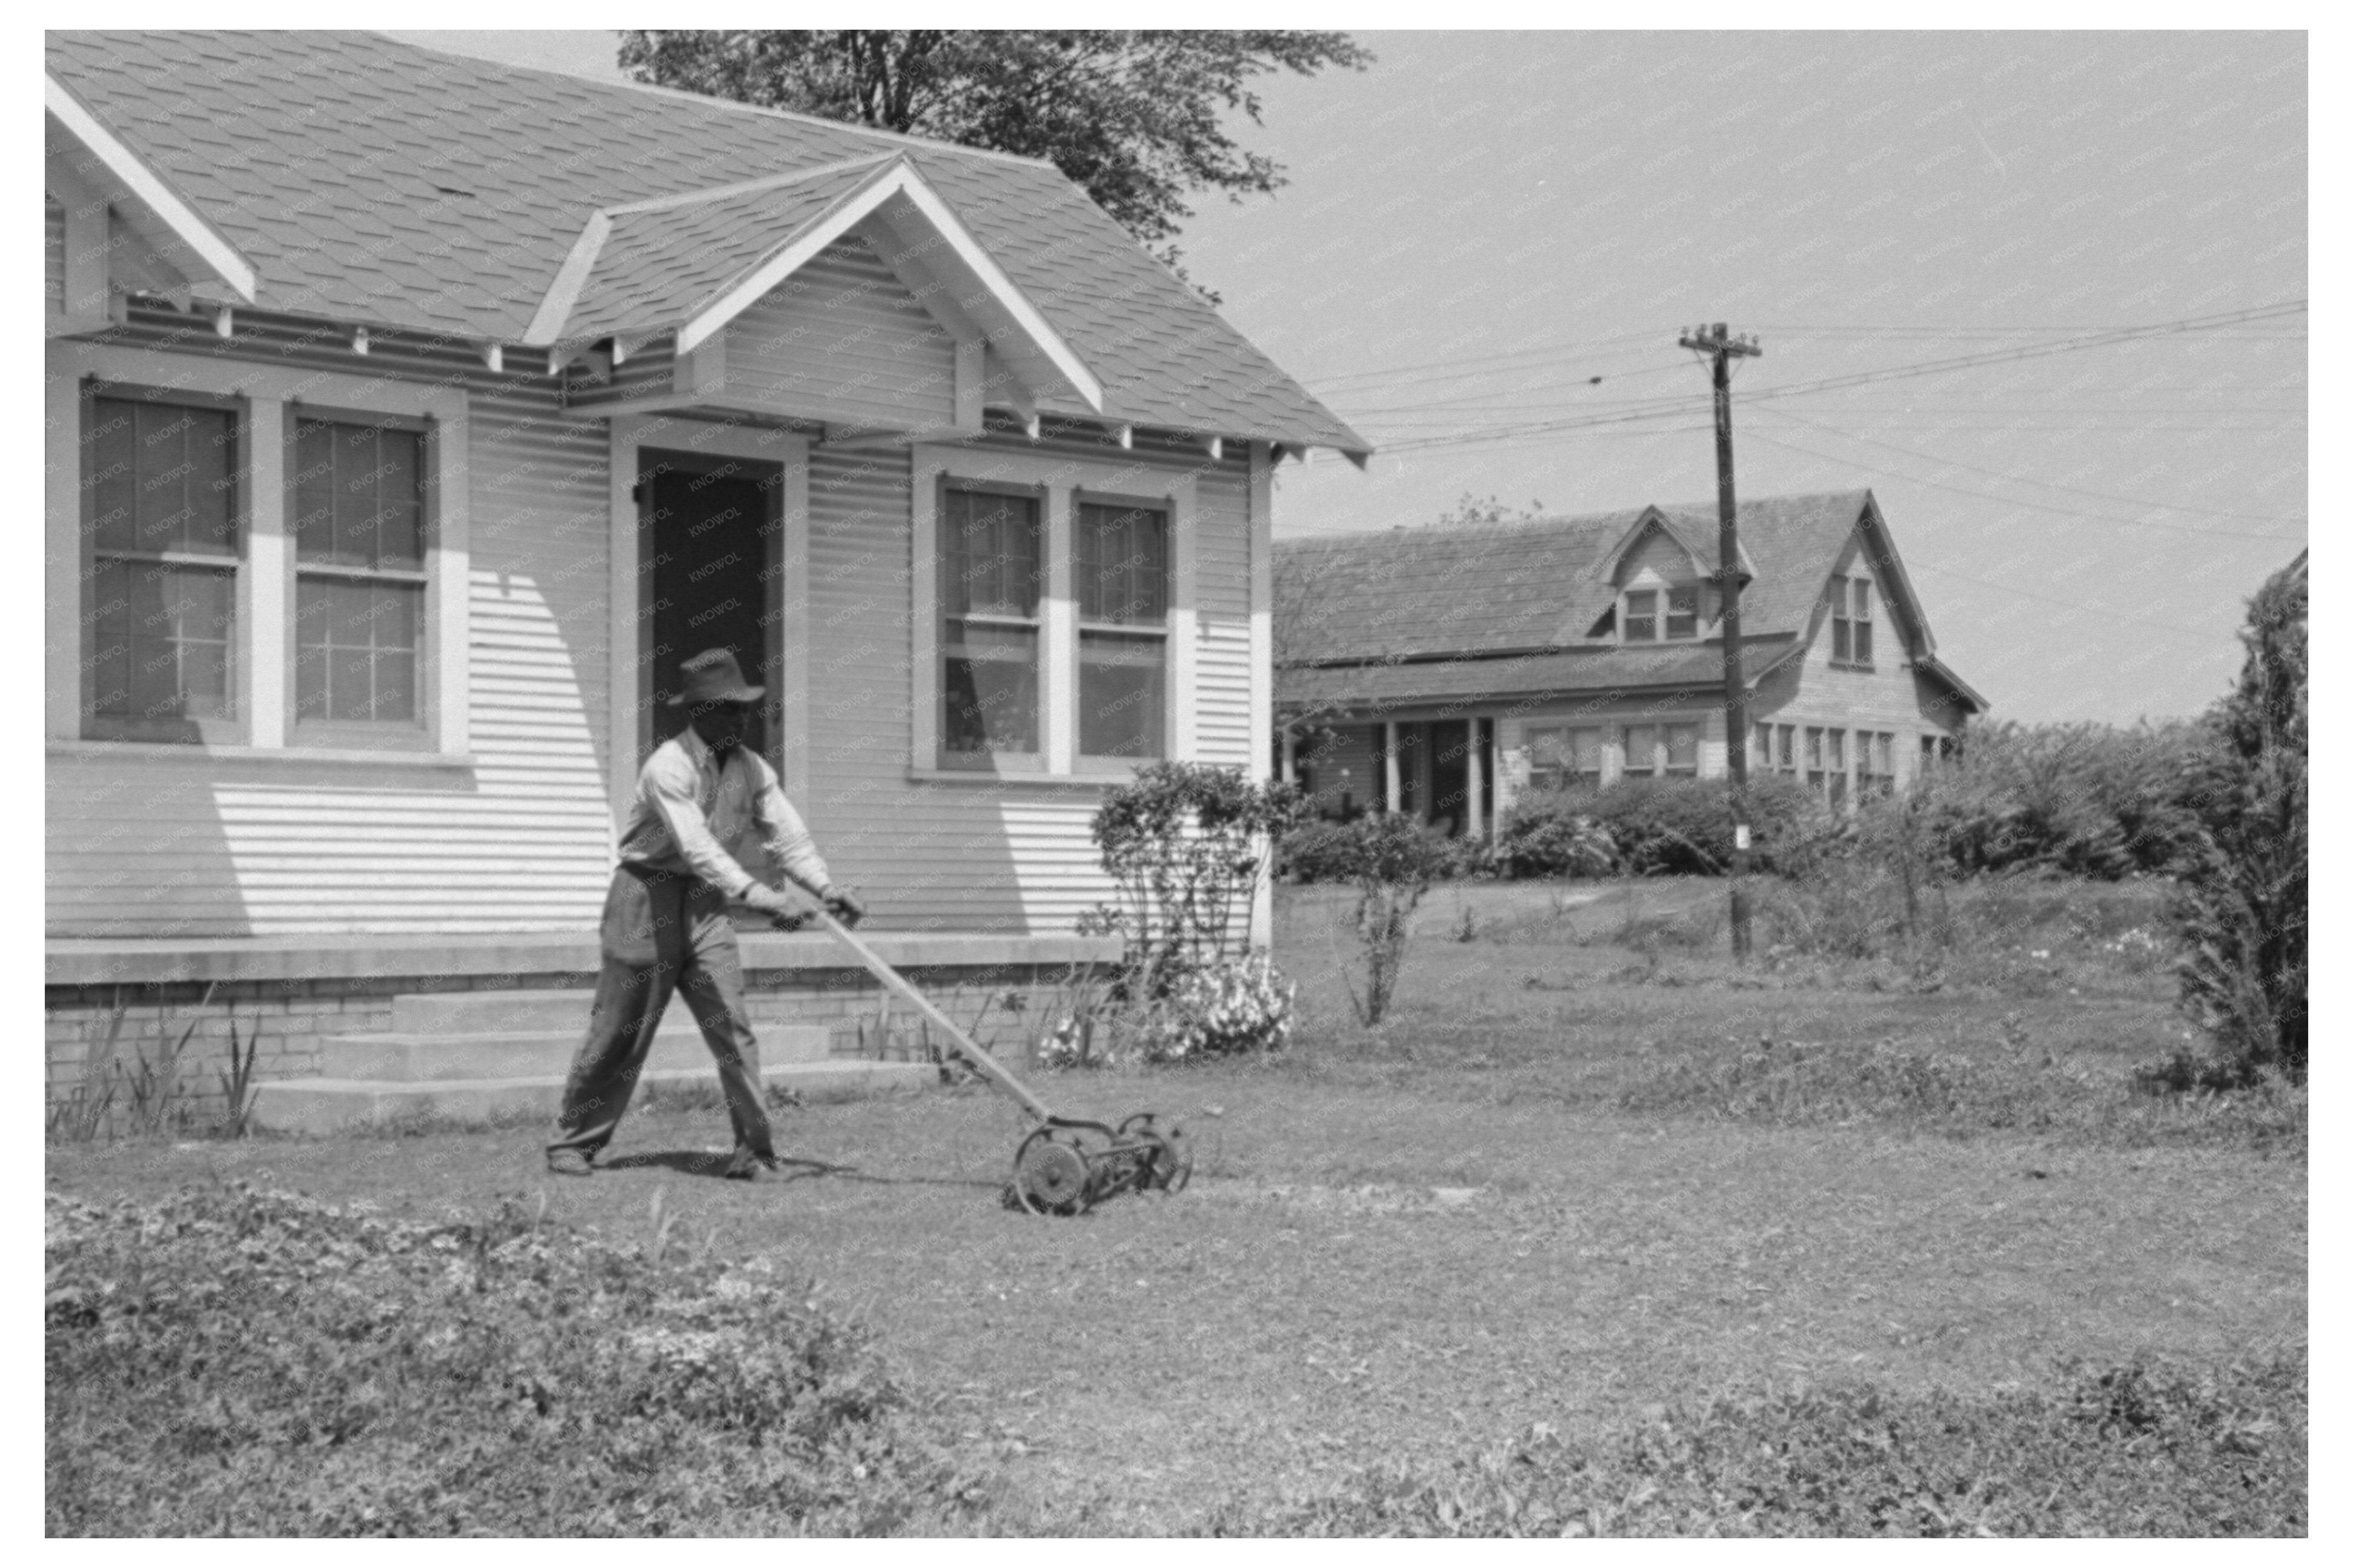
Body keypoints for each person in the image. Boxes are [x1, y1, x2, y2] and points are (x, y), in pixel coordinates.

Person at [546, 648, 866, 1180]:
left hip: (707, 905)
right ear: (697, 713)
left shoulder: (752, 768)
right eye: (727, 709)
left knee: (732, 1026)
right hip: (645, 898)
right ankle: (572, 1143)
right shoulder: (667, 767)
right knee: (621, 1028)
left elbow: (788, 837)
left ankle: (754, 1153)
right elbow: (696, 847)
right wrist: (764, 898)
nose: (740, 720)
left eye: (744, 709)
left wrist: (826, 888)